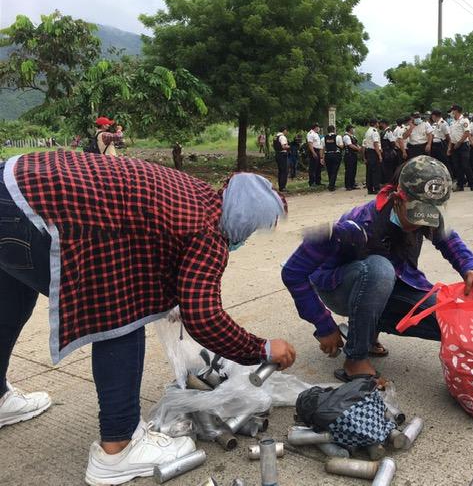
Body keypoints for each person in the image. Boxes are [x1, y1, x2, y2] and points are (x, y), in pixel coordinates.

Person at [0, 150, 296, 485]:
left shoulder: (200, 195)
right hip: (42, 208)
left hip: (10, 184)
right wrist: (263, 349)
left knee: (10, 299)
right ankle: (119, 447)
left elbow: (155, 248)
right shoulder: (209, 231)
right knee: (123, 312)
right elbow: (204, 318)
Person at [281, 156, 473, 384]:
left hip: (389, 284)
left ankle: (366, 330)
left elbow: (449, 240)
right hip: (340, 288)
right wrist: (323, 324)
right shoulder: (359, 225)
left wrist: (470, 268)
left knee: (450, 323)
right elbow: (293, 271)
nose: (421, 223)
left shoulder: (428, 214)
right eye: (417, 214)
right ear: (398, 197)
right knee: (380, 269)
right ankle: (355, 360)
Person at [448, 105, 473, 192]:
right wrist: (449, 147)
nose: (451, 113)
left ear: (456, 111)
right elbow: (451, 136)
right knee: (457, 166)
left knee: (465, 165)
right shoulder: (453, 122)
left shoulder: (464, 120)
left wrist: (459, 142)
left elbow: (467, 132)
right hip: (454, 145)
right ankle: (460, 185)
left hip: (463, 145)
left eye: (452, 111)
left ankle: (472, 184)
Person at [363, 119, 382, 194]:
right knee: (375, 171)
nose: (378, 124)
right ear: (375, 124)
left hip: (368, 152)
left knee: (369, 171)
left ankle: (370, 188)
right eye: (377, 123)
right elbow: (375, 144)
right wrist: (379, 155)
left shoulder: (368, 131)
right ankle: (376, 188)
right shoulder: (374, 132)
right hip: (373, 152)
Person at [380, 119, 401, 184]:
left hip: (388, 153)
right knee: (386, 169)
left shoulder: (388, 132)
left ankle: (390, 183)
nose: (380, 125)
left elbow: (392, 142)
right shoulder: (384, 131)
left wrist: (399, 148)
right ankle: (387, 182)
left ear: (384, 124)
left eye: (380, 123)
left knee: (389, 169)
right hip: (385, 152)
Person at [323, 125, 343, 192]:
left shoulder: (324, 138)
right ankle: (331, 185)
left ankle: (331, 184)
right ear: (334, 130)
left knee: (329, 170)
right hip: (335, 154)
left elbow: (322, 148)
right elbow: (341, 146)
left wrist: (321, 157)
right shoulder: (338, 137)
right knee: (334, 170)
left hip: (327, 155)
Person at [343, 125, 361, 190]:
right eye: (353, 129)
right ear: (350, 129)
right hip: (349, 155)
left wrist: (359, 147)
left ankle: (352, 183)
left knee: (353, 170)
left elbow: (356, 144)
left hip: (353, 155)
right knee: (349, 170)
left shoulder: (353, 136)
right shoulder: (346, 136)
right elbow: (350, 145)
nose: (354, 130)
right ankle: (348, 185)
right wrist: (358, 149)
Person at [307, 123, 323, 187]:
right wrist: (313, 152)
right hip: (313, 150)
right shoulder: (310, 134)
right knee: (312, 167)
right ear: (315, 127)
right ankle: (312, 182)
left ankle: (318, 181)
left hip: (318, 150)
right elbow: (310, 144)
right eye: (318, 127)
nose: (319, 128)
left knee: (318, 167)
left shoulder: (316, 134)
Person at [273, 126, 290, 192]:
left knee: (280, 171)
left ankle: (280, 186)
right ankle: (283, 187)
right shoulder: (282, 137)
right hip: (282, 154)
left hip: (277, 154)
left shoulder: (275, 136)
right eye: (286, 130)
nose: (286, 132)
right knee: (284, 171)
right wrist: (289, 146)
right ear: (284, 130)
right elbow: (284, 146)